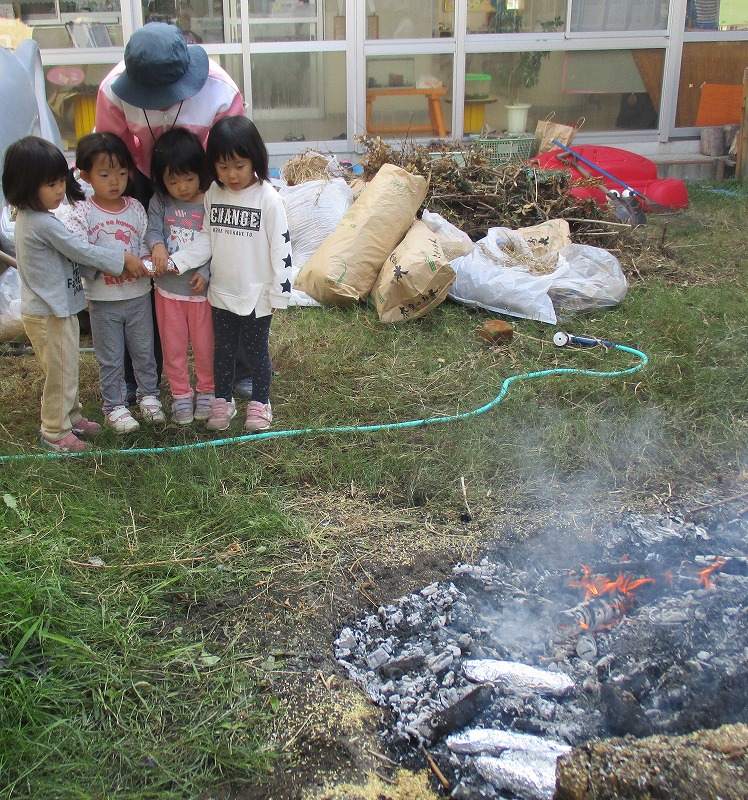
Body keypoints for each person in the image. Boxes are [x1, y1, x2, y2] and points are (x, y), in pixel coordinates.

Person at [95, 21, 254, 399]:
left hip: (206, 179)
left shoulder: (220, 90)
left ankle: (238, 368)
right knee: (149, 277)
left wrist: (211, 189)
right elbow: (111, 151)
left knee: (227, 267)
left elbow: (234, 153)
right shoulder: (112, 91)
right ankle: (140, 376)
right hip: (145, 176)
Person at [1, 136, 145, 452]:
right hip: (50, 312)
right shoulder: (41, 223)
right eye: (50, 185)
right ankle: (55, 432)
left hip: (56, 308)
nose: (58, 191)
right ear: (25, 186)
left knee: (67, 366)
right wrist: (122, 260)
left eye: (60, 182)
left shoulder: (36, 218)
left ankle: (71, 416)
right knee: (61, 372)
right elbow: (80, 249)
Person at [169, 116, 292, 432]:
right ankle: (223, 400)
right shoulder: (214, 193)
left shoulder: (269, 200)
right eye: (223, 167)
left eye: (239, 165)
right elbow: (207, 238)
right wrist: (179, 261)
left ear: (255, 158)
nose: (231, 174)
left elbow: (282, 250)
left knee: (255, 352)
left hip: (256, 296)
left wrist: (279, 292)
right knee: (221, 351)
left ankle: (261, 402)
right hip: (221, 292)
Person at [66, 132, 165, 434]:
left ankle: (149, 396)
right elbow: (79, 252)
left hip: (137, 296)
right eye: (105, 174)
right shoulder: (82, 212)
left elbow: (147, 242)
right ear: (85, 175)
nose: (114, 181)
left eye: (122, 173)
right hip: (103, 301)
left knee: (144, 350)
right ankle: (115, 405)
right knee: (110, 356)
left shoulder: (134, 207)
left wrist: (149, 263)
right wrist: (120, 261)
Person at [145, 127, 214, 425]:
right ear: (161, 179)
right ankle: (181, 396)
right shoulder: (160, 201)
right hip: (167, 291)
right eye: (173, 180)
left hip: (199, 291)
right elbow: (152, 230)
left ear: (200, 171)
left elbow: (216, 241)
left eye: (188, 178)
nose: (182, 187)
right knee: (172, 346)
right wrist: (157, 246)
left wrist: (206, 273)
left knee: (204, 345)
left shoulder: (210, 200)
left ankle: (208, 391)